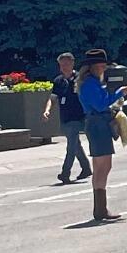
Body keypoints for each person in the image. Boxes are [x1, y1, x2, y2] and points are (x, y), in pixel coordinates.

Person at [78, 49, 127, 225]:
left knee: (100, 165)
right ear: (91, 66)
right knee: (103, 165)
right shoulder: (90, 84)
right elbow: (101, 105)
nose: (102, 67)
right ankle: (100, 208)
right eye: (99, 64)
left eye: (103, 64)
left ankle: (100, 208)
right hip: (97, 124)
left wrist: (116, 94)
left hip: (97, 123)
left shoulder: (92, 82)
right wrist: (119, 94)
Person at [41, 52, 91, 185]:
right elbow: (52, 98)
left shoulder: (80, 78)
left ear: (72, 63)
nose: (64, 67)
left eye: (67, 64)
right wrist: (47, 110)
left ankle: (65, 173)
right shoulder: (58, 81)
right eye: (62, 64)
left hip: (79, 116)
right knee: (75, 145)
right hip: (66, 117)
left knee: (71, 146)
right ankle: (86, 168)